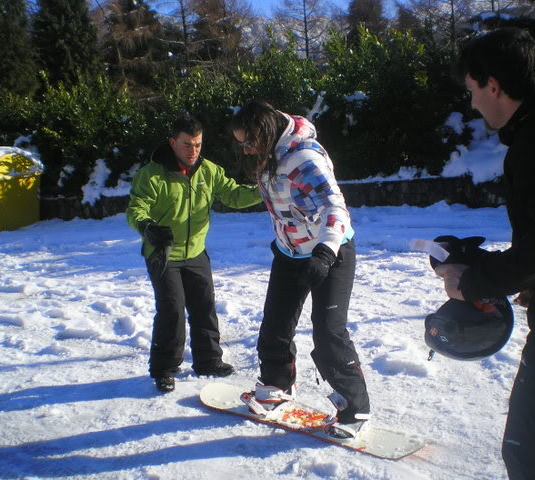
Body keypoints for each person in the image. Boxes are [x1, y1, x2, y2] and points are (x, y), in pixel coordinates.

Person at [436, 27, 535, 479]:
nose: (471, 103)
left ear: (494, 85)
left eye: (472, 90)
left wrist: (473, 280)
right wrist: (532, 276)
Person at [230, 100, 371, 439]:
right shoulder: (271, 154)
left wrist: (323, 254)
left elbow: (335, 207)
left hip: (330, 251)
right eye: (242, 144)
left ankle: (357, 412)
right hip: (290, 252)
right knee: (275, 325)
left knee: (328, 332)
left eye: (249, 142)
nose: (247, 151)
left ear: (264, 132)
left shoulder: (303, 157)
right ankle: (277, 387)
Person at [127, 114, 262, 393]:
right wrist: (146, 226)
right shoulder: (152, 175)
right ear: (173, 142)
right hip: (163, 253)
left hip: (196, 252)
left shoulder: (208, 171)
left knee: (204, 307)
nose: (194, 151)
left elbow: (234, 195)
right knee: (172, 311)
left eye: (198, 144)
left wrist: (264, 189)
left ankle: (208, 361)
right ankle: (164, 368)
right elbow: (136, 209)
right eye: (187, 144)